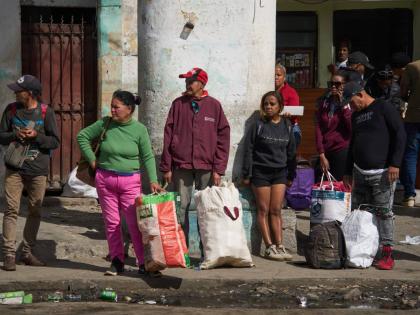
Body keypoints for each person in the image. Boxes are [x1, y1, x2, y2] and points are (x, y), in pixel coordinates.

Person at [77, 90, 163, 277]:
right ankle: (117, 261)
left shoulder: (139, 129)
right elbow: (82, 136)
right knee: (112, 223)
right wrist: (92, 159)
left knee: (135, 225)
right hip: (104, 180)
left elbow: (147, 156)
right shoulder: (105, 123)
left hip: (130, 182)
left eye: (116, 107)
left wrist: (154, 180)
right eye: (112, 106)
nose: (112, 110)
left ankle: (143, 262)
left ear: (129, 109)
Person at [160, 67, 230, 244]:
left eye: (192, 81)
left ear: (202, 83)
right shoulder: (178, 104)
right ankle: (182, 248)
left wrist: (218, 169)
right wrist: (166, 166)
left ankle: (207, 248)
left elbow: (223, 137)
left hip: (207, 167)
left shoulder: (214, 106)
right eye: (186, 81)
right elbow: (168, 136)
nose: (188, 84)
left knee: (206, 208)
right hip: (181, 165)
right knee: (180, 207)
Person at [343, 82, 406, 270]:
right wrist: (347, 171)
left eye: (351, 102)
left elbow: (400, 134)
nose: (350, 106)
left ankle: (387, 253)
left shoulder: (383, 107)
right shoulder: (356, 116)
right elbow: (352, 144)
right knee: (360, 213)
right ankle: (363, 251)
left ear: (360, 94)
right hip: (359, 172)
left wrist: (395, 163)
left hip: (382, 173)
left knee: (384, 214)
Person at [0, 75, 60, 271]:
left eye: (19, 90)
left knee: (35, 210)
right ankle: (9, 253)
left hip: (37, 170)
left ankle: (27, 252)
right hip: (14, 168)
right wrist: (14, 135)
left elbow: (55, 141)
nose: (15, 93)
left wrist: (36, 136)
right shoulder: (11, 110)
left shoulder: (46, 112)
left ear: (31, 93)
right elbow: (1, 136)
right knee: (11, 210)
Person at [242, 91, 296, 261]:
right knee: (263, 210)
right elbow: (248, 150)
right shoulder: (258, 125)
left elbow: (291, 152)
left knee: (276, 209)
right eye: (266, 104)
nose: (268, 107)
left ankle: (279, 245)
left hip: (280, 172)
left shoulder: (287, 125)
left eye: (272, 104)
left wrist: (291, 174)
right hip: (261, 173)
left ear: (280, 106)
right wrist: (246, 174)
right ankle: (269, 247)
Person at [315, 73, 352, 180]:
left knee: (339, 185)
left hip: (341, 149)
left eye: (337, 84)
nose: (333, 86)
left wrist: (343, 105)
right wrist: (321, 153)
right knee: (320, 182)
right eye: (331, 83)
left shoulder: (350, 103)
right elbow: (318, 128)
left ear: (344, 85)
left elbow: (351, 127)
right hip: (325, 149)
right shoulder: (325, 102)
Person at [400, 59, 420, 207]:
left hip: (414, 116)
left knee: (411, 155)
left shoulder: (412, 67)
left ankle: (409, 196)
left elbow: (403, 91)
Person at [275, 62, 302, 147]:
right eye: (273, 75)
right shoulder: (269, 91)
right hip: (274, 128)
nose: (275, 77)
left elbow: (295, 112)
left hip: (290, 128)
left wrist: (287, 114)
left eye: (278, 75)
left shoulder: (291, 92)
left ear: (284, 78)